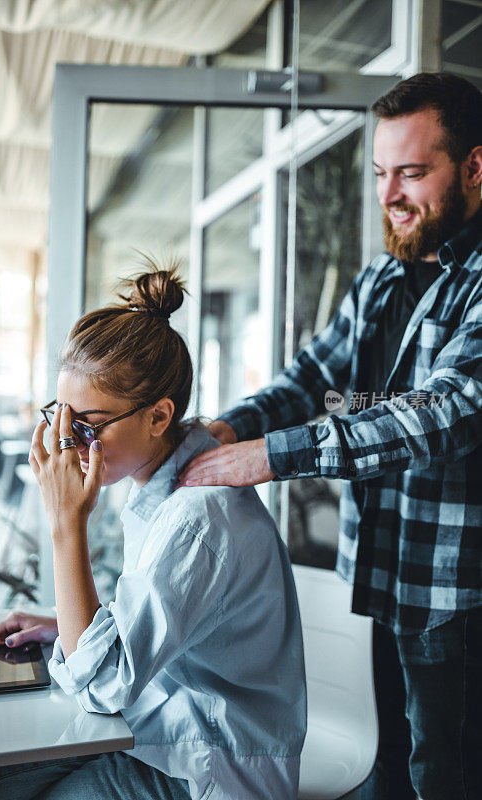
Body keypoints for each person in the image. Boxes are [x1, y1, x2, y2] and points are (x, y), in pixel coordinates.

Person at [179, 72, 482, 800]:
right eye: (381, 173)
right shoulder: (381, 278)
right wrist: (223, 429)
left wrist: (268, 456)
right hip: (374, 582)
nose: (388, 194)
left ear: (474, 167)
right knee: (384, 768)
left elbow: (441, 412)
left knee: (443, 778)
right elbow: (309, 377)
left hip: (453, 600)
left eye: (412, 172)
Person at [0, 265, 306, 800]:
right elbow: (167, 617)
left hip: (204, 764)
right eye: (62, 417)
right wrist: (63, 623)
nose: (68, 442)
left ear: (159, 416)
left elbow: (102, 687)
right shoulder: (163, 473)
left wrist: (65, 524)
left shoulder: (197, 517)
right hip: (161, 727)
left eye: (88, 425)